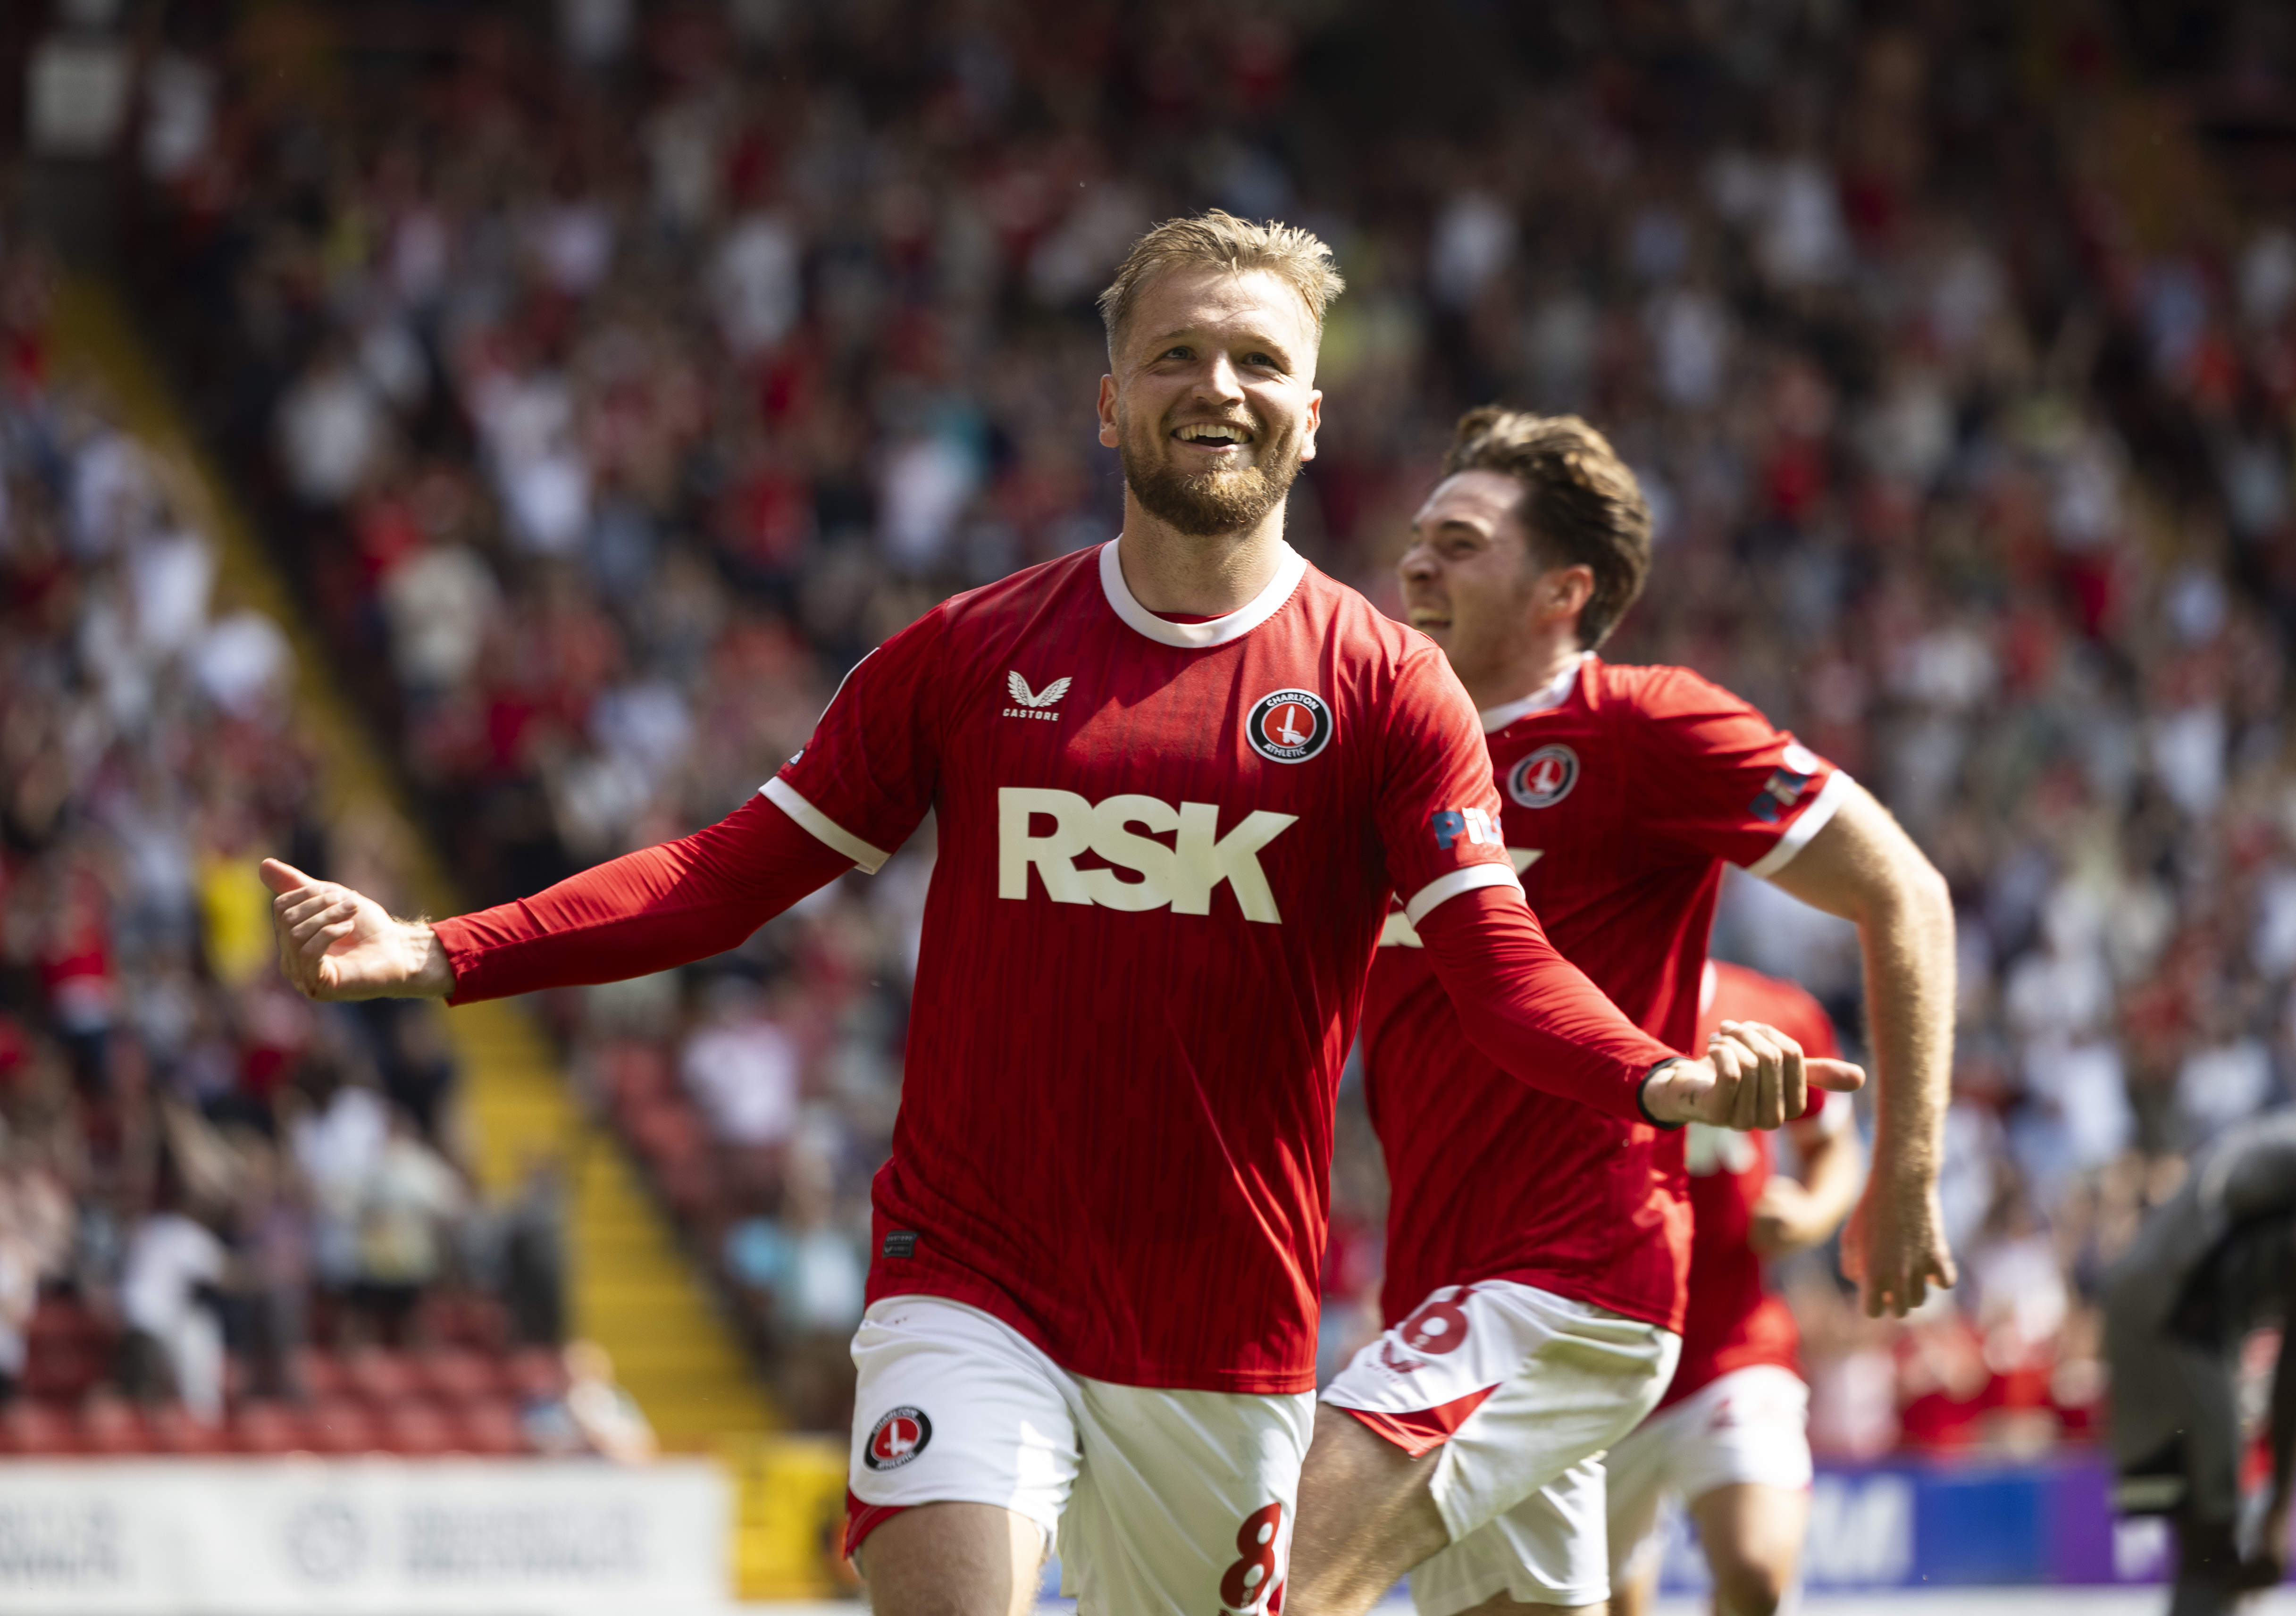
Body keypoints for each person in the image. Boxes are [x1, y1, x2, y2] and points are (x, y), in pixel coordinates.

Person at [261, 215, 1856, 1616]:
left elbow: (1500, 969)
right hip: (973, 1271)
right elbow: (728, 872)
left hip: (1220, 1325)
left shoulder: (1387, 690)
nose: (1213, 386)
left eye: (1253, 361)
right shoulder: (966, 654)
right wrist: (440, 946)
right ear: (1109, 401)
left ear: (1308, 415)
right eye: (1174, 355)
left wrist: (1656, 1073)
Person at [1292, 408, 1952, 1616]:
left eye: (1462, 540)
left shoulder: (1642, 724)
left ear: (1564, 590)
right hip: (1440, 1288)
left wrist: (1903, 1173)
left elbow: (1902, 885)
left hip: (1572, 1281)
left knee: (1278, 1577)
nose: (1416, 565)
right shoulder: (1381, 760)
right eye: (1417, 539)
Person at [1605, 961, 1863, 1616]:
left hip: (1732, 1347)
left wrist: (1808, 1214)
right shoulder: (1566, 1004)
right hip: (1598, 1361)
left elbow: (1833, 1149)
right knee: (1610, 1604)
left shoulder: (1776, 1011)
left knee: (1755, 1574)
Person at [2104, 1110, 2296, 1616]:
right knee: (2214, 1545)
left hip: (2144, 1310)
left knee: (2202, 1539)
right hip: (2175, 1322)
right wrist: (2277, 1514)